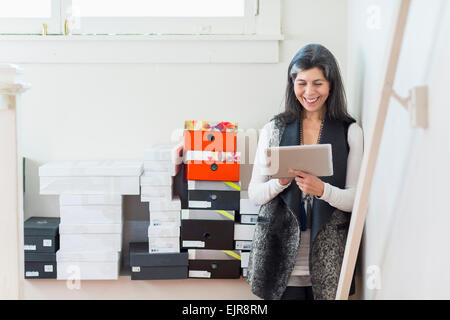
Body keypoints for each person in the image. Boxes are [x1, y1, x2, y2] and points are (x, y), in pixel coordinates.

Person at [246, 44, 364, 300]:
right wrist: (279, 183)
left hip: (329, 259)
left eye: (318, 83)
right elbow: (254, 194)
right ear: (292, 84)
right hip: (279, 258)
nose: (309, 92)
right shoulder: (273, 129)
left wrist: (323, 190)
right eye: (302, 83)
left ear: (331, 84)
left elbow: (357, 199)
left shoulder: (350, 131)